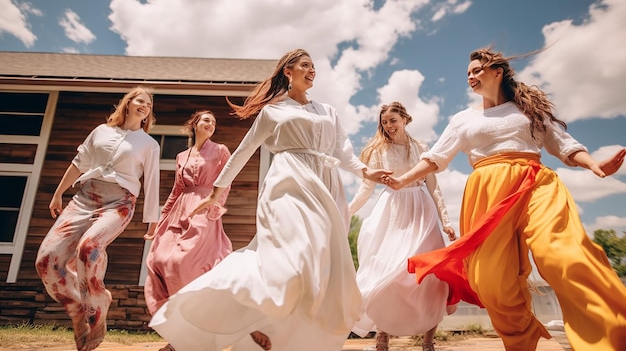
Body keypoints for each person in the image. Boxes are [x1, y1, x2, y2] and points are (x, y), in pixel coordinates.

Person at [384, 47, 626, 350]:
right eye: (468, 73)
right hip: (486, 194)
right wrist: (403, 179)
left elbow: (562, 144)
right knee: (491, 282)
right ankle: (522, 340)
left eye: (477, 70)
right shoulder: (462, 120)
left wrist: (594, 164)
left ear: (497, 72)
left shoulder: (527, 110)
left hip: (534, 183)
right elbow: (436, 157)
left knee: (562, 255)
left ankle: (611, 337)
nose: (471, 76)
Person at [148, 48, 390, 351]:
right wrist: (215, 192)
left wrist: (368, 172)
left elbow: (343, 152)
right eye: (305, 65)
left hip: (326, 187)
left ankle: (280, 333)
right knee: (291, 256)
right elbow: (243, 152)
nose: (312, 70)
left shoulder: (328, 111)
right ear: (288, 72)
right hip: (288, 183)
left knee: (318, 267)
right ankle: (230, 324)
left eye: (314, 66)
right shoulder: (273, 111)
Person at [35, 86, 160, 351]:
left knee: (89, 248)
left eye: (149, 105)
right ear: (127, 103)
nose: (144, 106)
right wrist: (58, 193)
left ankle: (97, 304)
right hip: (84, 198)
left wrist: (153, 220)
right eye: (140, 100)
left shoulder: (149, 144)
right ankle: (78, 310)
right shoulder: (100, 131)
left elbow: (152, 181)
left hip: (120, 203)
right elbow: (79, 162)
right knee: (46, 261)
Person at [348, 102, 457, 351]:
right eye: (384, 122)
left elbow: (434, 187)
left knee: (432, 275)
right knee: (389, 272)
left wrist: (446, 221)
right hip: (393, 212)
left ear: (405, 119)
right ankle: (383, 335)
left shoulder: (422, 148)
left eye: (393, 121)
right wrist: (347, 211)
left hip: (422, 211)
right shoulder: (378, 150)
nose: (388, 126)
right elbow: (367, 187)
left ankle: (428, 342)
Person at [144, 110, 232, 351]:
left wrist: (215, 206)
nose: (211, 124)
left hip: (205, 209)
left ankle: (198, 331)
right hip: (179, 211)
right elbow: (176, 189)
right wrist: (160, 220)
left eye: (214, 121)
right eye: (206, 120)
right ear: (195, 124)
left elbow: (226, 181)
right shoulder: (182, 155)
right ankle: (180, 336)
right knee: (162, 260)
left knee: (187, 264)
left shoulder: (221, 150)